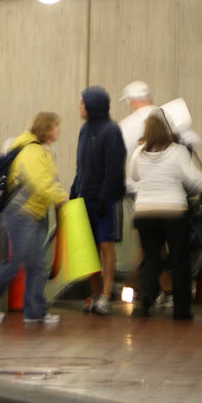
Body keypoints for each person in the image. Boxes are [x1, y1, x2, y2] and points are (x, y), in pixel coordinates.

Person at [0, 111, 68, 326]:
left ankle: (35, 311)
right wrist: (60, 196)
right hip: (22, 213)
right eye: (56, 125)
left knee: (37, 265)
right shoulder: (31, 151)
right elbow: (39, 181)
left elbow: (47, 180)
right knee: (15, 263)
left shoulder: (43, 151)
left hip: (36, 212)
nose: (59, 129)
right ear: (47, 128)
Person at [127, 111, 202, 320]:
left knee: (151, 259)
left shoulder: (139, 152)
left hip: (145, 211)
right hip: (173, 212)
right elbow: (192, 178)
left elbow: (134, 176)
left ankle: (145, 301)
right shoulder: (178, 151)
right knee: (179, 260)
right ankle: (181, 310)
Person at [71, 86, 126, 315]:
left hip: (104, 200)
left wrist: (106, 196)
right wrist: (74, 191)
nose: (79, 107)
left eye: (82, 103)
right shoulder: (84, 130)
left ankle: (106, 295)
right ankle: (93, 295)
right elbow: (81, 166)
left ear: (92, 105)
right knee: (88, 250)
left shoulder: (111, 131)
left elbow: (114, 167)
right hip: (84, 197)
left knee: (105, 245)